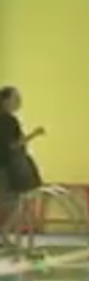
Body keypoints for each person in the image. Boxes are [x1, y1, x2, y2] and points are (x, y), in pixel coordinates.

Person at [0, 86, 45, 242]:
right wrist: (34, 134)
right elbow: (13, 145)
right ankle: (5, 232)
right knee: (15, 203)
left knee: (15, 202)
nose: (19, 102)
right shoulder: (8, 120)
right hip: (5, 167)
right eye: (16, 98)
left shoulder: (8, 120)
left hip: (6, 165)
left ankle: (5, 233)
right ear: (5, 100)